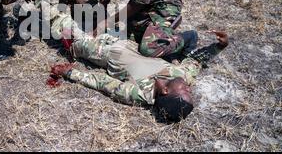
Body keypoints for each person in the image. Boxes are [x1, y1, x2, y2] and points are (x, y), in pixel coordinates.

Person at [48, 12, 228, 122]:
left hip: (104, 51)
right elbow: (196, 61)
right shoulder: (182, 75)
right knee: (188, 35)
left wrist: (70, 72)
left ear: (165, 91)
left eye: (184, 92)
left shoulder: (140, 93)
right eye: (189, 91)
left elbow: (102, 83)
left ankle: (35, 1)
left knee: (67, 28)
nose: (188, 87)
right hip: (130, 41)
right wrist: (220, 46)